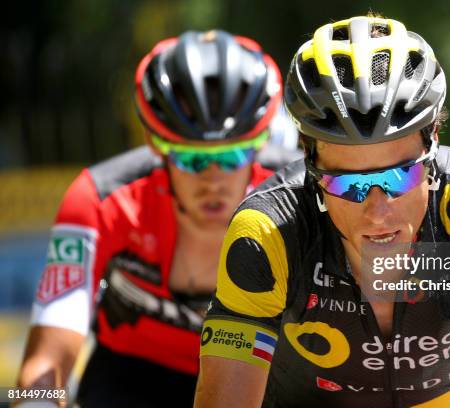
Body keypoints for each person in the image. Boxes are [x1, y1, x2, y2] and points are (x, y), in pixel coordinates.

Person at [195, 16, 450, 408]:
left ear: (433, 142)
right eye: (348, 184)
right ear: (310, 161)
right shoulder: (267, 232)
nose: (378, 212)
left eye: (400, 177)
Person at [16, 29, 298, 407]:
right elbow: (45, 362)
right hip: (133, 376)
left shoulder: (300, 196)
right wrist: (35, 401)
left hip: (256, 371)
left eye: (232, 157)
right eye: (191, 159)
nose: (212, 178)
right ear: (155, 146)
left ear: (261, 144)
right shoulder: (98, 199)